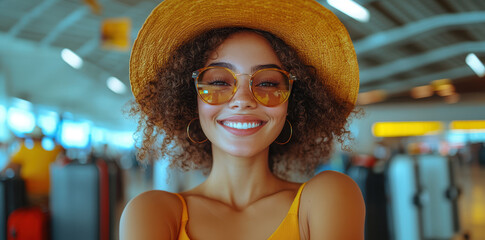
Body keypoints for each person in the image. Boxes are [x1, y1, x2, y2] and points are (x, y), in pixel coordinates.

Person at [120, 0, 365, 239]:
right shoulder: (152, 212)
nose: (243, 99)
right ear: (190, 100)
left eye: (268, 83)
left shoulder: (328, 197)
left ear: (294, 102)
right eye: (218, 82)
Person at [1, 126, 63, 208]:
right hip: (50, 194)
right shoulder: (54, 151)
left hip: (30, 193)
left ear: (30, 138)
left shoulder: (24, 150)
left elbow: (8, 168)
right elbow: (61, 148)